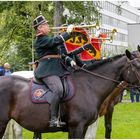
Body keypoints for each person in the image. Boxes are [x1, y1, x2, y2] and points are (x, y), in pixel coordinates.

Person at [32, 15, 76, 127]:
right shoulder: (40, 40)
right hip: (47, 70)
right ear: (40, 28)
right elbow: (55, 41)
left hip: (57, 69)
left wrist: (69, 60)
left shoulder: (47, 38)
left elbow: (59, 54)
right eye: (46, 25)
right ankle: (53, 119)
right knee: (58, 89)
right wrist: (67, 33)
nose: (48, 26)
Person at [3, 62, 23, 139]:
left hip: (14, 108)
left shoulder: (12, 75)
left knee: (17, 131)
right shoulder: (3, 73)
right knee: (6, 131)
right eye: (6, 66)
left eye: (8, 65)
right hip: (6, 108)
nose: (7, 66)